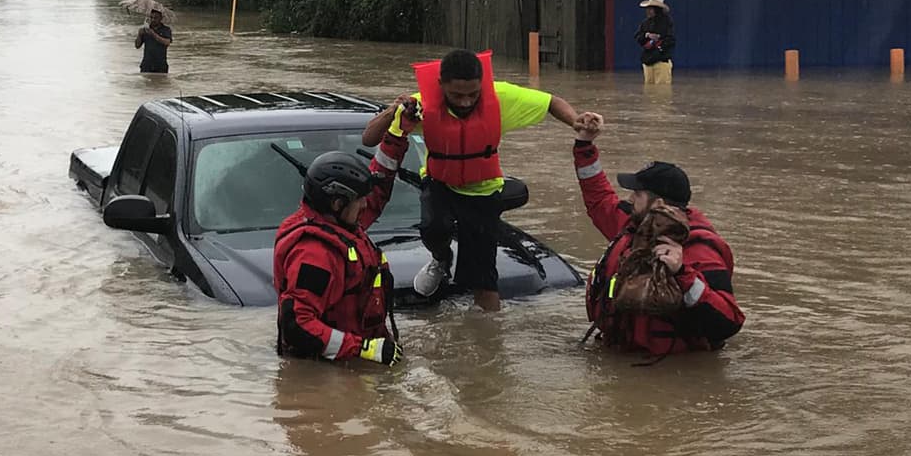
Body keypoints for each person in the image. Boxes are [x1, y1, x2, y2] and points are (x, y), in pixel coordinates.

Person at [360, 48, 586, 312]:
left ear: (482, 85)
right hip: (439, 184)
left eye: (473, 94)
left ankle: (487, 328)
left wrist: (576, 121)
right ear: (441, 85)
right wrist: (392, 111)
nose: (466, 102)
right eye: (457, 95)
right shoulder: (421, 105)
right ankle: (441, 259)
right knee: (433, 227)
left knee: (485, 282)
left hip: (483, 193)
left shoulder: (500, 97)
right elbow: (369, 138)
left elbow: (551, 102)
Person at [572, 112, 744, 356]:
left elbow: (729, 322)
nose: (630, 199)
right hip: (619, 354)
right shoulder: (632, 225)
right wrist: (584, 145)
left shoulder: (699, 248)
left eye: (637, 194)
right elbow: (599, 198)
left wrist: (683, 274)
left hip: (671, 367)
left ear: (659, 204)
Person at [274, 97, 420, 366]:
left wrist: (397, 133)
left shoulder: (340, 221)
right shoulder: (314, 254)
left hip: (358, 356)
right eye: (359, 200)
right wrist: (363, 349)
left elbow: (378, 187)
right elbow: (297, 326)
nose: (366, 205)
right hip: (331, 369)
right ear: (337, 203)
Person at [635, 0, 675, 84]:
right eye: (647, 8)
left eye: (650, 8)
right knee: (648, 89)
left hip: (661, 61)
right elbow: (638, 37)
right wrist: (647, 35)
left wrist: (659, 47)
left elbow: (671, 40)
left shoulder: (667, 22)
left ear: (657, 9)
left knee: (662, 89)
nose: (648, 11)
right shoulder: (645, 23)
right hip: (647, 61)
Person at [134, 8, 173, 73]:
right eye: (151, 17)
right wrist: (139, 35)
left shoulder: (166, 29)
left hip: (160, 65)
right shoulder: (146, 29)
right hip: (146, 65)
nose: (153, 20)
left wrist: (153, 34)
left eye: (155, 18)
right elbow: (137, 46)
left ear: (161, 18)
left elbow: (167, 42)